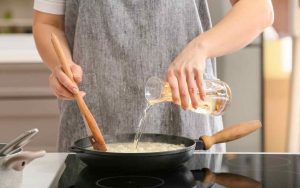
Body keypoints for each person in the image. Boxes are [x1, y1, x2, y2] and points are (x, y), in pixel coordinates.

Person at [33, 0, 274, 152]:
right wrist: (62, 65)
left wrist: (201, 48)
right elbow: (48, 23)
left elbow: (258, 9)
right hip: (90, 125)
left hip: (186, 121)